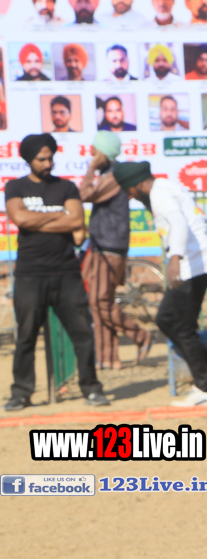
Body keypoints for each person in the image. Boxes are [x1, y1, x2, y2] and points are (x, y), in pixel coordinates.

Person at [5, 134, 110, 411]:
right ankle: (21, 393)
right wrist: (59, 217)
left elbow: (76, 220)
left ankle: (91, 388)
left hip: (66, 273)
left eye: (50, 158)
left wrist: (38, 221)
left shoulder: (66, 188)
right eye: (41, 159)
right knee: (26, 336)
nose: (47, 163)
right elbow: (20, 218)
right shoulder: (16, 187)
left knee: (82, 333)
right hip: (30, 274)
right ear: (29, 160)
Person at [114, 161, 207, 406]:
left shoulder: (159, 195)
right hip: (203, 262)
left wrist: (174, 258)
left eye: (129, 191)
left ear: (138, 185)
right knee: (182, 323)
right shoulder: (164, 187)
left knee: (169, 320)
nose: (130, 197)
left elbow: (178, 222)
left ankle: (206, 387)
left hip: (192, 265)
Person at [79, 132, 152, 370]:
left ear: (102, 152)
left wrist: (91, 168)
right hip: (103, 245)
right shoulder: (108, 175)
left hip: (109, 247)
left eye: (94, 150)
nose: (91, 153)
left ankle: (141, 335)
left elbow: (84, 194)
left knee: (99, 300)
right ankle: (108, 358)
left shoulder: (112, 177)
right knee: (101, 302)